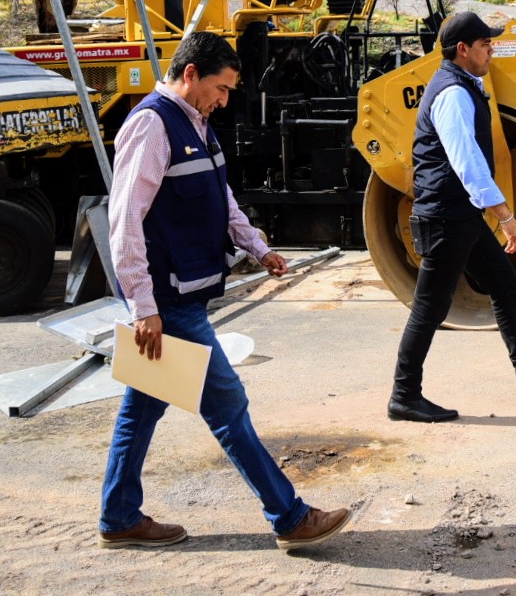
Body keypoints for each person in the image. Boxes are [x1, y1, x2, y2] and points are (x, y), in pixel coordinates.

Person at [98, 31, 351, 551]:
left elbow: (222, 197)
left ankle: (119, 517)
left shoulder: (196, 124)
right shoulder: (151, 126)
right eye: (220, 87)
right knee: (227, 403)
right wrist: (144, 307)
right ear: (190, 74)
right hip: (168, 303)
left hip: (182, 297)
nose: (225, 99)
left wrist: (258, 247)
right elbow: (123, 221)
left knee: (141, 409)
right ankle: (290, 517)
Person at [388, 11, 516, 423]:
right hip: (445, 216)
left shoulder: (463, 86)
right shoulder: (453, 94)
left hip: (458, 215)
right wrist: (507, 216)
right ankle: (404, 395)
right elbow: (468, 164)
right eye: (484, 45)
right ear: (463, 50)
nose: (491, 50)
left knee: (504, 282)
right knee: (429, 308)